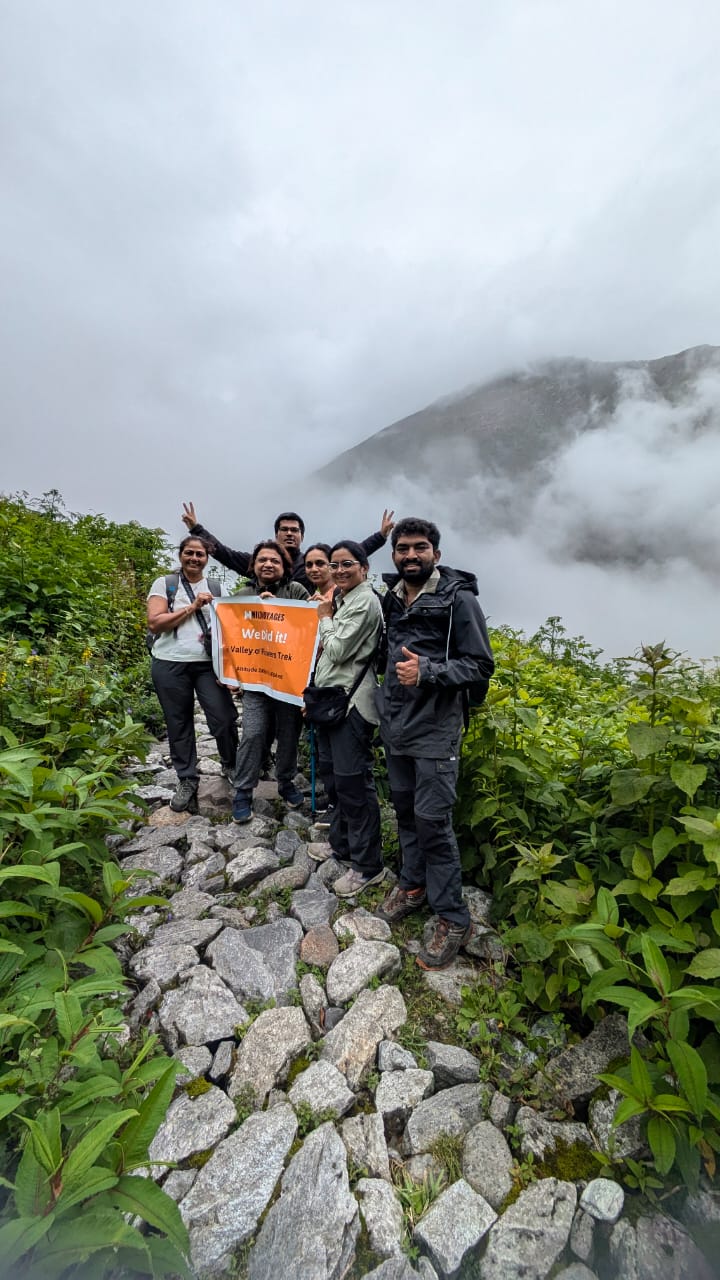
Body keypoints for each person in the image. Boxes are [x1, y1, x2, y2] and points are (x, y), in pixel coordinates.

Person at [374, 517, 494, 969]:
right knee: (405, 812)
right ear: (394, 555)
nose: (410, 555)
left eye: (419, 548)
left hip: (437, 730)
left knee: (432, 822)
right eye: (403, 548)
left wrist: (428, 672)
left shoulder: (458, 599)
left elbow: (481, 665)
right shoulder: (393, 597)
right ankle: (412, 883)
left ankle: (452, 916)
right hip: (397, 727)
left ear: (436, 554)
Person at [309, 541, 386, 898]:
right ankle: (342, 846)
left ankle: (368, 866)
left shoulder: (366, 602)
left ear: (364, 568)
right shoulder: (343, 599)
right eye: (335, 565)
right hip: (332, 701)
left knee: (354, 784)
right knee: (337, 780)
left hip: (352, 705)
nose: (339, 571)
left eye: (347, 564)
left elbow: (338, 650)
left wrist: (324, 617)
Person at [147, 536, 238, 814]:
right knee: (178, 722)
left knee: (223, 717)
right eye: (189, 553)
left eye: (199, 554)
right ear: (181, 555)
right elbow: (155, 622)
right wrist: (192, 607)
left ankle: (230, 763)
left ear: (206, 558)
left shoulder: (216, 588)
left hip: (207, 664)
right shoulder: (165, 584)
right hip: (169, 662)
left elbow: (227, 629)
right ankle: (187, 778)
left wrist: (231, 669)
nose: (194, 558)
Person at [230, 540, 310, 822]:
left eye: (275, 561)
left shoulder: (296, 592)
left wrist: (281, 612)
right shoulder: (242, 596)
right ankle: (243, 790)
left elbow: (307, 631)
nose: (268, 564)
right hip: (255, 681)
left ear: (284, 566)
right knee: (252, 733)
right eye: (263, 560)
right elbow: (231, 638)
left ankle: (285, 782)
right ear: (254, 565)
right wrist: (232, 676)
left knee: (289, 735)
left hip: (288, 681)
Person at [180, 502, 395, 594]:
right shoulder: (261, 562)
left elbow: (350, 556)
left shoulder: (311, 563)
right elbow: (224, 553)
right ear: (276, 534)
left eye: (295, 530)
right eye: (284, 529)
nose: (290, 533)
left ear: (302, 536)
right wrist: (197, 529)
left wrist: (380, 536)